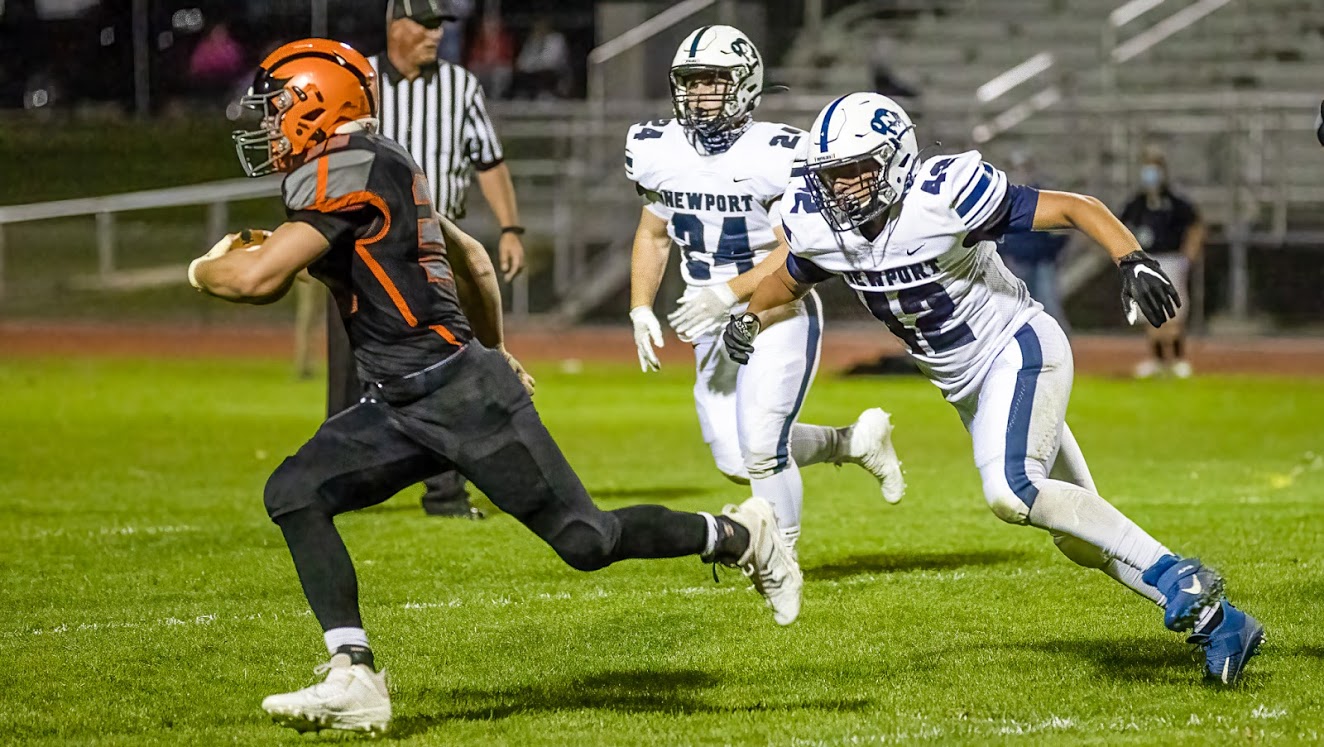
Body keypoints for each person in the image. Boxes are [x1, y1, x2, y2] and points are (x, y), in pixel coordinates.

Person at [189, 38, 799, 735]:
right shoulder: (383, 161)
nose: (267, 128)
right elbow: (473, 259)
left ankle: (741, 533)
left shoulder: (347, 167)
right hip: (404, 399)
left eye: (275, 111)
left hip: (457, 396)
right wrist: (498, 349)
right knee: (294, 491)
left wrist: (203, 268)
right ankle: (353, 674)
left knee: (587, 541)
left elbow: (255, 279)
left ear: (313, 104)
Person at [725, 92, 1264, 685]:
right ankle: (1222, 623)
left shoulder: (941, 196)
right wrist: (751, 316)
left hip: (1018, 346)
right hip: (968, 388)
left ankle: (1175, 577)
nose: (846, 186)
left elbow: (1075, 207)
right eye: (835, 173)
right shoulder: (825, 225)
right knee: (1080, 543)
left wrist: (1130, 257)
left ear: (898, 159)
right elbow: (792, 277)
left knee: (1012, 490)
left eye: (860, 168)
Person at [626, 26, 906, 563]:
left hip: (777, 310)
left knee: (760, 446)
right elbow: (653, 233)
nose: (699, 94)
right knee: (736, 458)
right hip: (706, 318)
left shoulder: (779, 152)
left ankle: (781, 557)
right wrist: (640, 306)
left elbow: (801, 247)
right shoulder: (653, 145)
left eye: (713, 80)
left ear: (747, 83)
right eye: (689, 81)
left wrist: (727, 292)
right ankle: (852, 443)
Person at [323, 0, 530, 519]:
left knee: (447, 372)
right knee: (350, 376)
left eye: (442, 25)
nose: (436, 35)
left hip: (434, 253)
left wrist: (510, 228)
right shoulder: (358, 80)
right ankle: (339, 482)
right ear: (397, 24)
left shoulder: (460, 87)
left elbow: (489, 160)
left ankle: (446, 493)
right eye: (427, 24)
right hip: (363, 250)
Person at [1118, 147, 1205, 378]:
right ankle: (1156, 359)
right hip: (1146, 261)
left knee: (1174, 312)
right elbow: (1119, 226)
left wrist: (1189, 255)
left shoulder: (1175, 202)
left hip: (1172, 259)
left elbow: (1195, 225)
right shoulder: (1137, 203)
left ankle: (1177, 358)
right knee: (1151, 311)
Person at [996, 150, 1069, 331]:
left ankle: (1061, 346)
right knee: (1016, 310)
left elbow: (1061, 231)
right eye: (1015, 168)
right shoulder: (1002, 197)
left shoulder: (1041, 194)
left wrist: (1050, 253)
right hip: (1016, 262)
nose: (1018, 172)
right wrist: (1005, 254)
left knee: (1049, 307)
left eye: (1021, 167)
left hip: (1042, 262)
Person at [512, 16, 570, 99]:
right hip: (534, 75)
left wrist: (531, 66)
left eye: (542, 27)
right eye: (537, 27)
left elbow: (550, 62)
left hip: (556, 74)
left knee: (544, 72)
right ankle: (524, 97)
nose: (539, 30)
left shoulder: (556, 39)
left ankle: (547, 95)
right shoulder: (533, 40)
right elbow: (521, 62)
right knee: (522, 75)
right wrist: (529, 67)